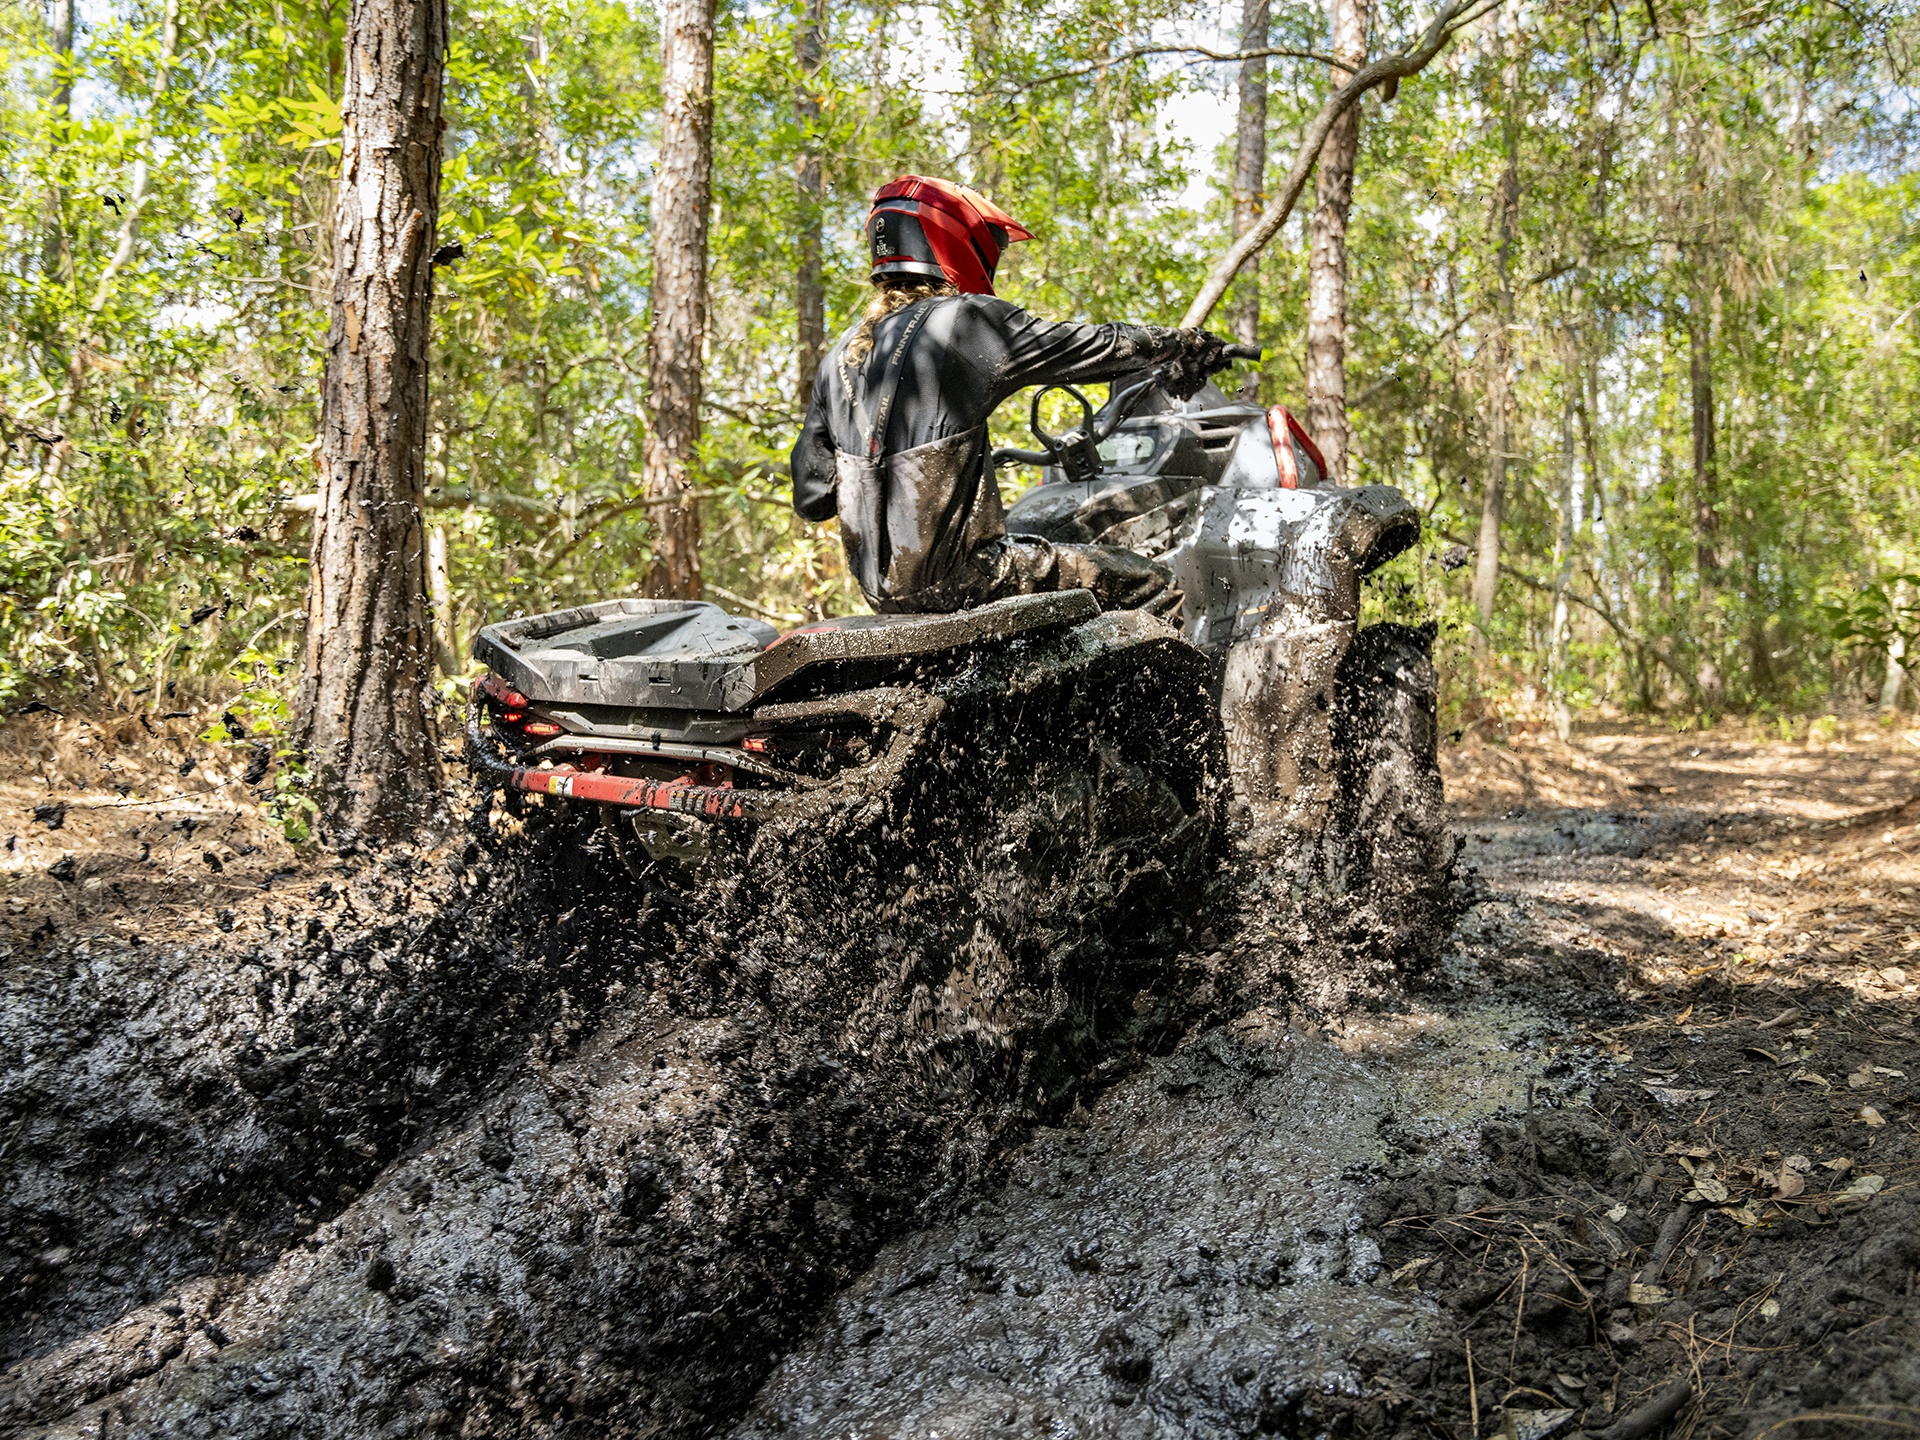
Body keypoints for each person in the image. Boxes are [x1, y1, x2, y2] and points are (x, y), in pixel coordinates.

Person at [789, 175, 1233, 615]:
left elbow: (813, 499)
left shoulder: (840, 356)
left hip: (882, 599)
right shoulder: (965, 321)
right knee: (1152, 584)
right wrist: (1182, 344)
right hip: (971, 580)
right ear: (955, 241)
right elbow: (1091, 347)